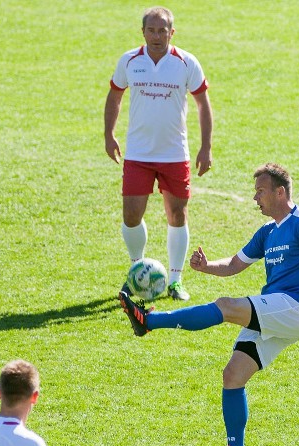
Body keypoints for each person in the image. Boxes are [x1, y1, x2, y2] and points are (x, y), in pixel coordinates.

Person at [119, 163, 299, 446]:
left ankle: (150, 321)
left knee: (226, 306)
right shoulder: (267, 232)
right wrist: (206, 266)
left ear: (280, 192)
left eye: (260, 191)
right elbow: (235, 265)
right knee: (233, 376)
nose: (255, 198)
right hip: (278, 310)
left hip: (298, 308)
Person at [105, 6, 214, 301]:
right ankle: (137, 270)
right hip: (138, 153)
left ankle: (176, 281)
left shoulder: (186, 63)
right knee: (131, 214)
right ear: (143, 32)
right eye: (151, 30)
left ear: (172, 32)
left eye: (162, 30)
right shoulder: (129, 61)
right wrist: (109, 134)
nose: (157, 36)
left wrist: (206, 146)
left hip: (174, 154)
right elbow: (115, 96)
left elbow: (203, 104)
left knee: (177, 214)